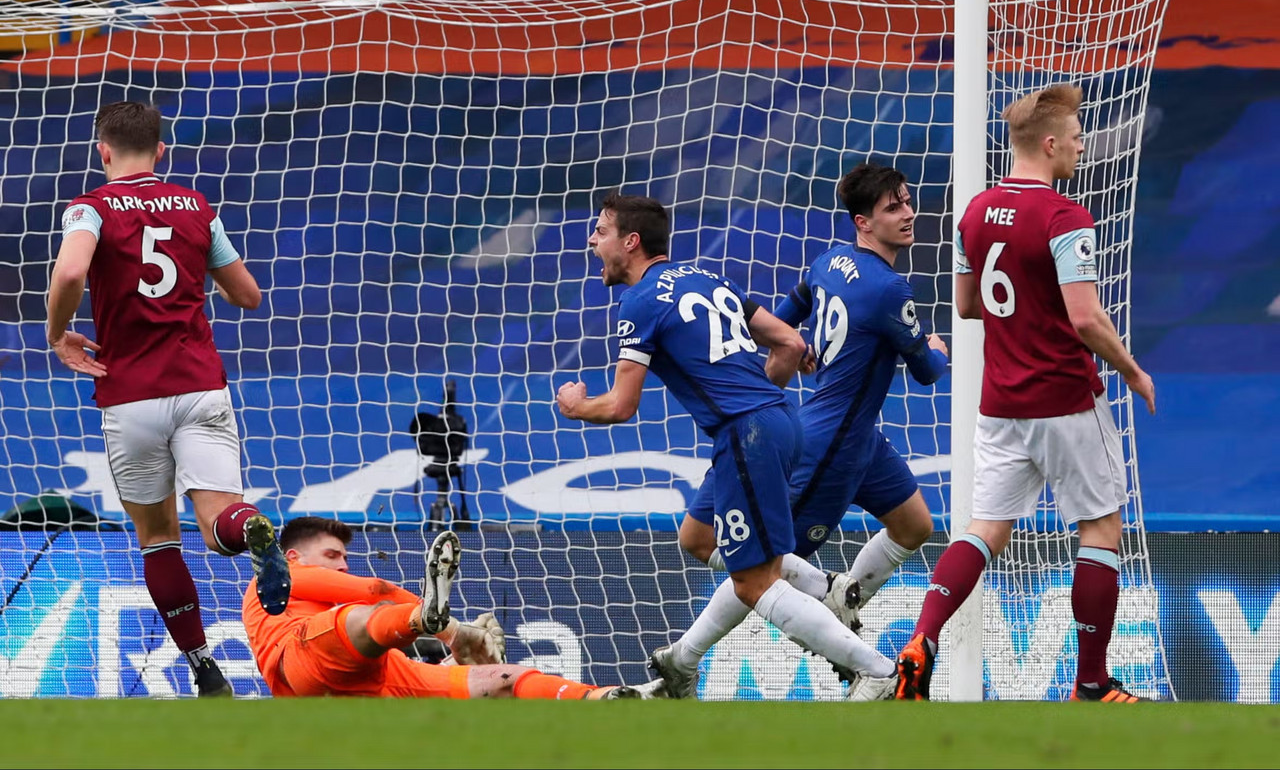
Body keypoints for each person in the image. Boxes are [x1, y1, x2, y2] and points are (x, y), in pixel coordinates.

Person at [557, 191, 900, 701]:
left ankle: (879, 671)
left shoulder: (639, 301)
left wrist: (576, 404)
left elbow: (621, 406)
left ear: (630, 243)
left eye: (601, 231)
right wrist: (757, 399)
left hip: (748, 431)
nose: (592, 239)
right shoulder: (704, 277)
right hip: (769, 420)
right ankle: (820, 589)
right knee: (696, 536)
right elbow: (790, 342)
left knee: (752, 584)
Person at [894, 83, 1158, 703]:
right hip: (1064, 397)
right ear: (1048, 143)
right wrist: (1130, 369)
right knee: (1100, 528)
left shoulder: (975, 211)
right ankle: (1091, 683)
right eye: (1074, 138)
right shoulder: (1065, 217)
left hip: (1000, 401)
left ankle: (922, 638)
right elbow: (1087, 319)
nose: (1081, 146)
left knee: (983, 528)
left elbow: (965, 305)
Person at [647, 165, 950, 698]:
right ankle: (691, 657)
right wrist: (940, 353)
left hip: (856, 435)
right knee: (762, 571)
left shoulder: (829, 260)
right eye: (893, 208)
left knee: (914, 525)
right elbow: (926, 372)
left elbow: (790, 312)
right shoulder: (889, 288)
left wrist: (794, 345)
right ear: (863, 221)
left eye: (906, 202)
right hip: (832, 448)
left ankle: (843, 600)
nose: (907, 214)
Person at [45, 100, 292, 698]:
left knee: (158, 538)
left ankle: (204, 667)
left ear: (103, 150)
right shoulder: (197, 208)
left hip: (129, 395)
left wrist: (58, 333)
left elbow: (72, 272)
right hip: (199, 384)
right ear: (161, 151)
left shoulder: (90, 208)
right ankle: (253, 528)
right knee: (218, 525)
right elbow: (248, 296)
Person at [242, 516, 661, 699]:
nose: (343, 563)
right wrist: (452, 632)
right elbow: (374, 589)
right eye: (333, 555)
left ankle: (603, 697)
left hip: (371, 679)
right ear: (292, 558)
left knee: (501, 678)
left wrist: (453, 660)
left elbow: (384, 632)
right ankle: (425, 617)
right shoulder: (273, 580)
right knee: (356, 617)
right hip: (300, 662)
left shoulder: (349, 614)